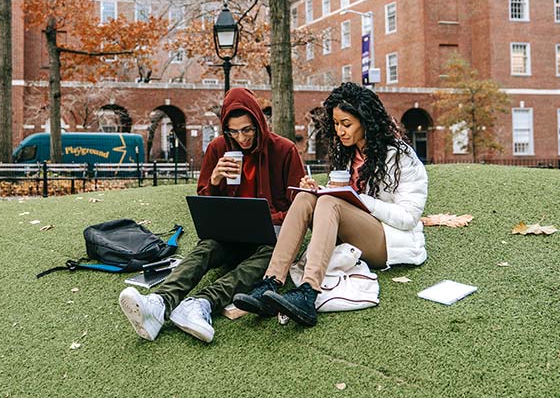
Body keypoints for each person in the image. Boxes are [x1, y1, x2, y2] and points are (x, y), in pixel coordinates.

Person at [118, 87, 305, 343]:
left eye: (248, 129)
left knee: (271, 256)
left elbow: (299, 206)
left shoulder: (284, 150)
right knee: (206, 247)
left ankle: (201, 303)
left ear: (259, 123)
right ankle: (158, 303)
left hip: (269, 236)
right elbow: (205, 204)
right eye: (234, 131)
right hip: (230, 234)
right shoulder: (218, 148)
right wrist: (215, 180)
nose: (242, 138)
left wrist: (274, 217)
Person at [234, 82, 428, 326]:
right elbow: (342, 199)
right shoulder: (347, 154)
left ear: (366, 121)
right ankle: (270, 282)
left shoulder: (400, 156)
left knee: (329, 203)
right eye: (336, 124)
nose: (340, 131)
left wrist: (355, 199)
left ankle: (308, 292)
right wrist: (318, 189)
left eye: (346, 124)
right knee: (306, 197)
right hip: (351, 232)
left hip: (387, 240)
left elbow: (408, 217)